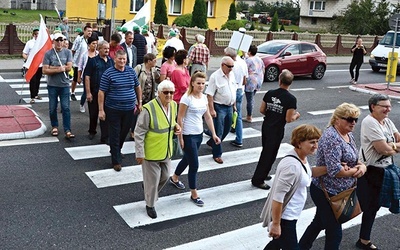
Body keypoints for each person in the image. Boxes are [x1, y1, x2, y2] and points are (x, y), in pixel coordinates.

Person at [299, 103, 367, 250]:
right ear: (337, 120)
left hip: (340, 191)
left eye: (355, 119)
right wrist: (356, 172)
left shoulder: (347, 134)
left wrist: (362, 166)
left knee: (319, 222)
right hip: (327, 192)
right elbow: (335, 170)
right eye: (349, 119)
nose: (353, 122)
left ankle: (301, 247)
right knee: (334, 233)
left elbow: (354, 159)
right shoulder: (332, 137)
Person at [260, 124, 322, 250]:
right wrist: (276, 224)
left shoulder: (301, 158)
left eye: (316, 141)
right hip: (285, 218)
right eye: (311, 142)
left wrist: (333, 169)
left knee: (277, 244)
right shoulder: (292, 166)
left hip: (292, 215)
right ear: (299, 143)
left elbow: (308, 173)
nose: (315, 145)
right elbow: (278, 198)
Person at [356, 94, 400, 250]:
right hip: (371, 171)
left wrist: (390, 146)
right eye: (384, 106)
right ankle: (362, 241)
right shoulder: (369, 122)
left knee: (373, 207)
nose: (388, 109)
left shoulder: (387, 121)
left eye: (389, 106)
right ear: (373, 107)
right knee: (369, 206)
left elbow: (396, 139)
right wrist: (392, 147)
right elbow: (382, 149)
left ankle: (364, 240)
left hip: (386, 170)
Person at [170, 72, 221, 206]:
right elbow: (179, 118)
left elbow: (208, 116)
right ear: (192, 83)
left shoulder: (204, 98)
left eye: (203, 83)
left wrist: (213, 134)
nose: (201, 86)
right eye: (198, 83)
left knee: (187, 158)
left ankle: (174, 177)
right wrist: (180, 137)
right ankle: (194, 193)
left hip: (199, 135)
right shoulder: (186, 98)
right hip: (188, 134)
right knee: (194, 164)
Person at [134, 80, 182, 219]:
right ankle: (150, 204)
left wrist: (176, 127)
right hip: (151, 152)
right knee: (153, 180)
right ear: (159, 93)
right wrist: (139, 153)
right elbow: (139, 132)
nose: (169, 95)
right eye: (165, 92)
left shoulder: (173, 105)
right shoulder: (149, 109)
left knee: (166, 176)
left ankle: (148, 188)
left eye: (171, 92)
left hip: (166, 150)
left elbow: (170, 122)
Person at [251, 69, 300, 190]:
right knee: (269, 154)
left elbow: (262, 110)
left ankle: (265, 172)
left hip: (266, 126)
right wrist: (296, 116)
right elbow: (288, 119)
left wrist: (271, 112)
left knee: (267, 151)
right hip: (277, 129)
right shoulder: (291, 99)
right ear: (291, 83)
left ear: (279, 80)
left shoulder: (270, 93)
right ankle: (258, 179)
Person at [98, 50, 142, 171]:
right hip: (113, 109)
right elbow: (101, 92)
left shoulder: (131, 71)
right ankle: (116, 160)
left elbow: (137, 87)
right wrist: (101, 110)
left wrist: (140, 102)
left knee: (124, 132)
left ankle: (116, 149)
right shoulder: (108, 73)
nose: (122, 61)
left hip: (129, 109)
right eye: (120, 59)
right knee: (115, 133)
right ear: (115, 59)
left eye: (124, 59)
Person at [205, 56, 237, 164]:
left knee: (227, 129)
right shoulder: (215, 77)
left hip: (229, 106)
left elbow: (234, 90)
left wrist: (234, 105)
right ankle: (217, 154)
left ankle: (212, 141)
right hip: (219, 107)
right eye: (229, 66)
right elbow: (209, 94)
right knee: (219, 131)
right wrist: (212, 109)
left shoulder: (232, 75)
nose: (231, 68)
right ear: (222, 65)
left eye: (233, 66)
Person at [42, 33, 74, 139]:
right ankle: (54, 126)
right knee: (52, 108)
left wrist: (53, 67)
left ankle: (67, 129)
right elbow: (45, 70)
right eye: (57, 40)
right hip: (52, 85)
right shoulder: (48, 54)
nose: (60, 42)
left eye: (62, 40)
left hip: (64, 85)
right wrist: (58, 69)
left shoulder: (68, 52)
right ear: (53, 42)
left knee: (66, 108)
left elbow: (69, 67)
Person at [84, 40, 114, 142]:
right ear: (99, 49)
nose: (107, 50)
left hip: (108, 93)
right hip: (95, 91)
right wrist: (88, 92)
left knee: (105, 114)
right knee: (93, 113)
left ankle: (105, 136)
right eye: (105, 48)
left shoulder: (111, 61)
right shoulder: (93, 61)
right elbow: (87, 77)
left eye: (108, 48)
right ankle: (92, 131)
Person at [130, 53, 161, 139]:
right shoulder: (139, 68)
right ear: (149, 61)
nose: (156, 62)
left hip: (149, 96)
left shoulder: (153, 70)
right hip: (139, 95)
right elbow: (132, 78)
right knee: (136, 114)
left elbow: (157, 79)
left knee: (146, 114)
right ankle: (133, 131)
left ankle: (143, 130)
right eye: (154, 61)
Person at [224, 47, 248, 148]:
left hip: (231, 89)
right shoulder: (243, 62)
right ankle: (239, 138)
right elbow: (245, 80)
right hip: (240, 90)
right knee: (238, 115)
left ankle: (218, 135)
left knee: (224, 113)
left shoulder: (230, 64)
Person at [77, 35, 99, 113]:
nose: (95, 45)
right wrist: (79, 77)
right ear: (89, 44)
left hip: (96, 76)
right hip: (86, 76)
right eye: (93, 43)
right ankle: (82, 104)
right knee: (86, 91)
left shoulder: (98, 54)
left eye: (96, 43)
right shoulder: (84, 55)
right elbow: (80, 67)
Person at [71, 25, 93, 101]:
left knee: (87, 79)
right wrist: (72, 61)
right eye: (88, 31)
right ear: (84, 31)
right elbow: (73, 50)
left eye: (91, 31)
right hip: (78, 63)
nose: (90, 33)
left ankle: (85, 95)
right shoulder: (79, 39)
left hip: (87, 62)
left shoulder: (91, 41)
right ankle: (72, 92)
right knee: (76, 79)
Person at [244, 45, 265, 122]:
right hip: (259, 79)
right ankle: (249, 115)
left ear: (249, 52)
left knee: (250, 99)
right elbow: (263, 68)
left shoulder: (248, 60)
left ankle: (249, 116)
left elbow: (244, 70)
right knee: (252, 98)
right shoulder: (259, 59)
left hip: (251, 81)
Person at [22, 27, 42, 104]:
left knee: (38, 80)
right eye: (37, 34)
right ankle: (32, 97)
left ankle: (36, 94)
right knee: (32, 81)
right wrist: (28, 59)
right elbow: (24, 53)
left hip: (40, 65)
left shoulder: (41, 43)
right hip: (32, 65)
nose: (38, 36)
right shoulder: (30, 43)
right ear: (34, 35)